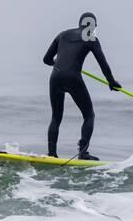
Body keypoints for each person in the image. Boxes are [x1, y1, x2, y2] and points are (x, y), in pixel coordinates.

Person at [42, 12, 120, 160]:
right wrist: (111, 81)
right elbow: (103, 63)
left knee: (56, 117)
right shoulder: (91, 38)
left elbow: (46, 59)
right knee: (89, 115)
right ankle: (83, 153)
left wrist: (59, 64)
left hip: (55, 77)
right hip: (73, 78)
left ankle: (52, 154)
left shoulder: (62, 34)